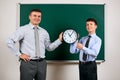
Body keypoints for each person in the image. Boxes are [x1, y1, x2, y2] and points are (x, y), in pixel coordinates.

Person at [7, 9, 63, 80]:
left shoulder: (44, 32)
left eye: (39, 16)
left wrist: (59, 40)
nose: (37, 18)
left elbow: (49, 47)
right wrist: (19, 54)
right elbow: (9, 41)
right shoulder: (23, 29)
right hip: (28, 63)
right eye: (34, 16)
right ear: (29, 17)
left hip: (42, 63)